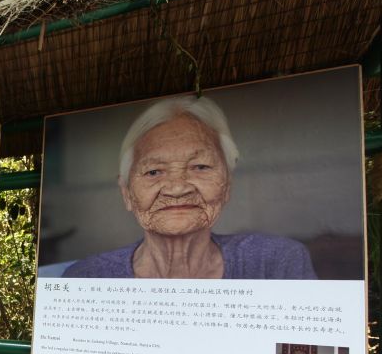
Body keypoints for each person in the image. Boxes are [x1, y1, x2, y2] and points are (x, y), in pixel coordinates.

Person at [63, 95, 317, 279]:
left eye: (200, 167)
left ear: (227, 184)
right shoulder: (86, 276)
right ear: (126, 192)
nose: (177, 189)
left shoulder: (276, 262)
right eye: (153, 172)